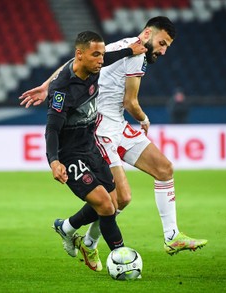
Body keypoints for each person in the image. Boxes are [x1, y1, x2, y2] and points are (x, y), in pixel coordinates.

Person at [20, 16, 207, 270]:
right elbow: (131, 102)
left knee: (164, 169)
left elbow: (77, 60)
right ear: (147, 34)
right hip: (101, 128)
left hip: (117, 125)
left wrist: (44, 84)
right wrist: (144, 119)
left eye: (167, 47)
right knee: (121, 199)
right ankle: (88, 240)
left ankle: (171, 236)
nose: (163, 51)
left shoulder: (125, 47)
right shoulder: (134, 53)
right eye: (162, 43)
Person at [39, 31, 146, 272]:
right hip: (70, 153)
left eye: (102, 54)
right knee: (106, 207)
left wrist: (130, 51)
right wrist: (54, 162)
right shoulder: (62, 89)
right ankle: (122, 258)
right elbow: (52, 129)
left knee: (115, 200)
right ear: (79, 54)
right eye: (95, 55)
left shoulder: (92, 67)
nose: (101, 60)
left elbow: (106, 58)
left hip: (90, 144)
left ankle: (66, 228)